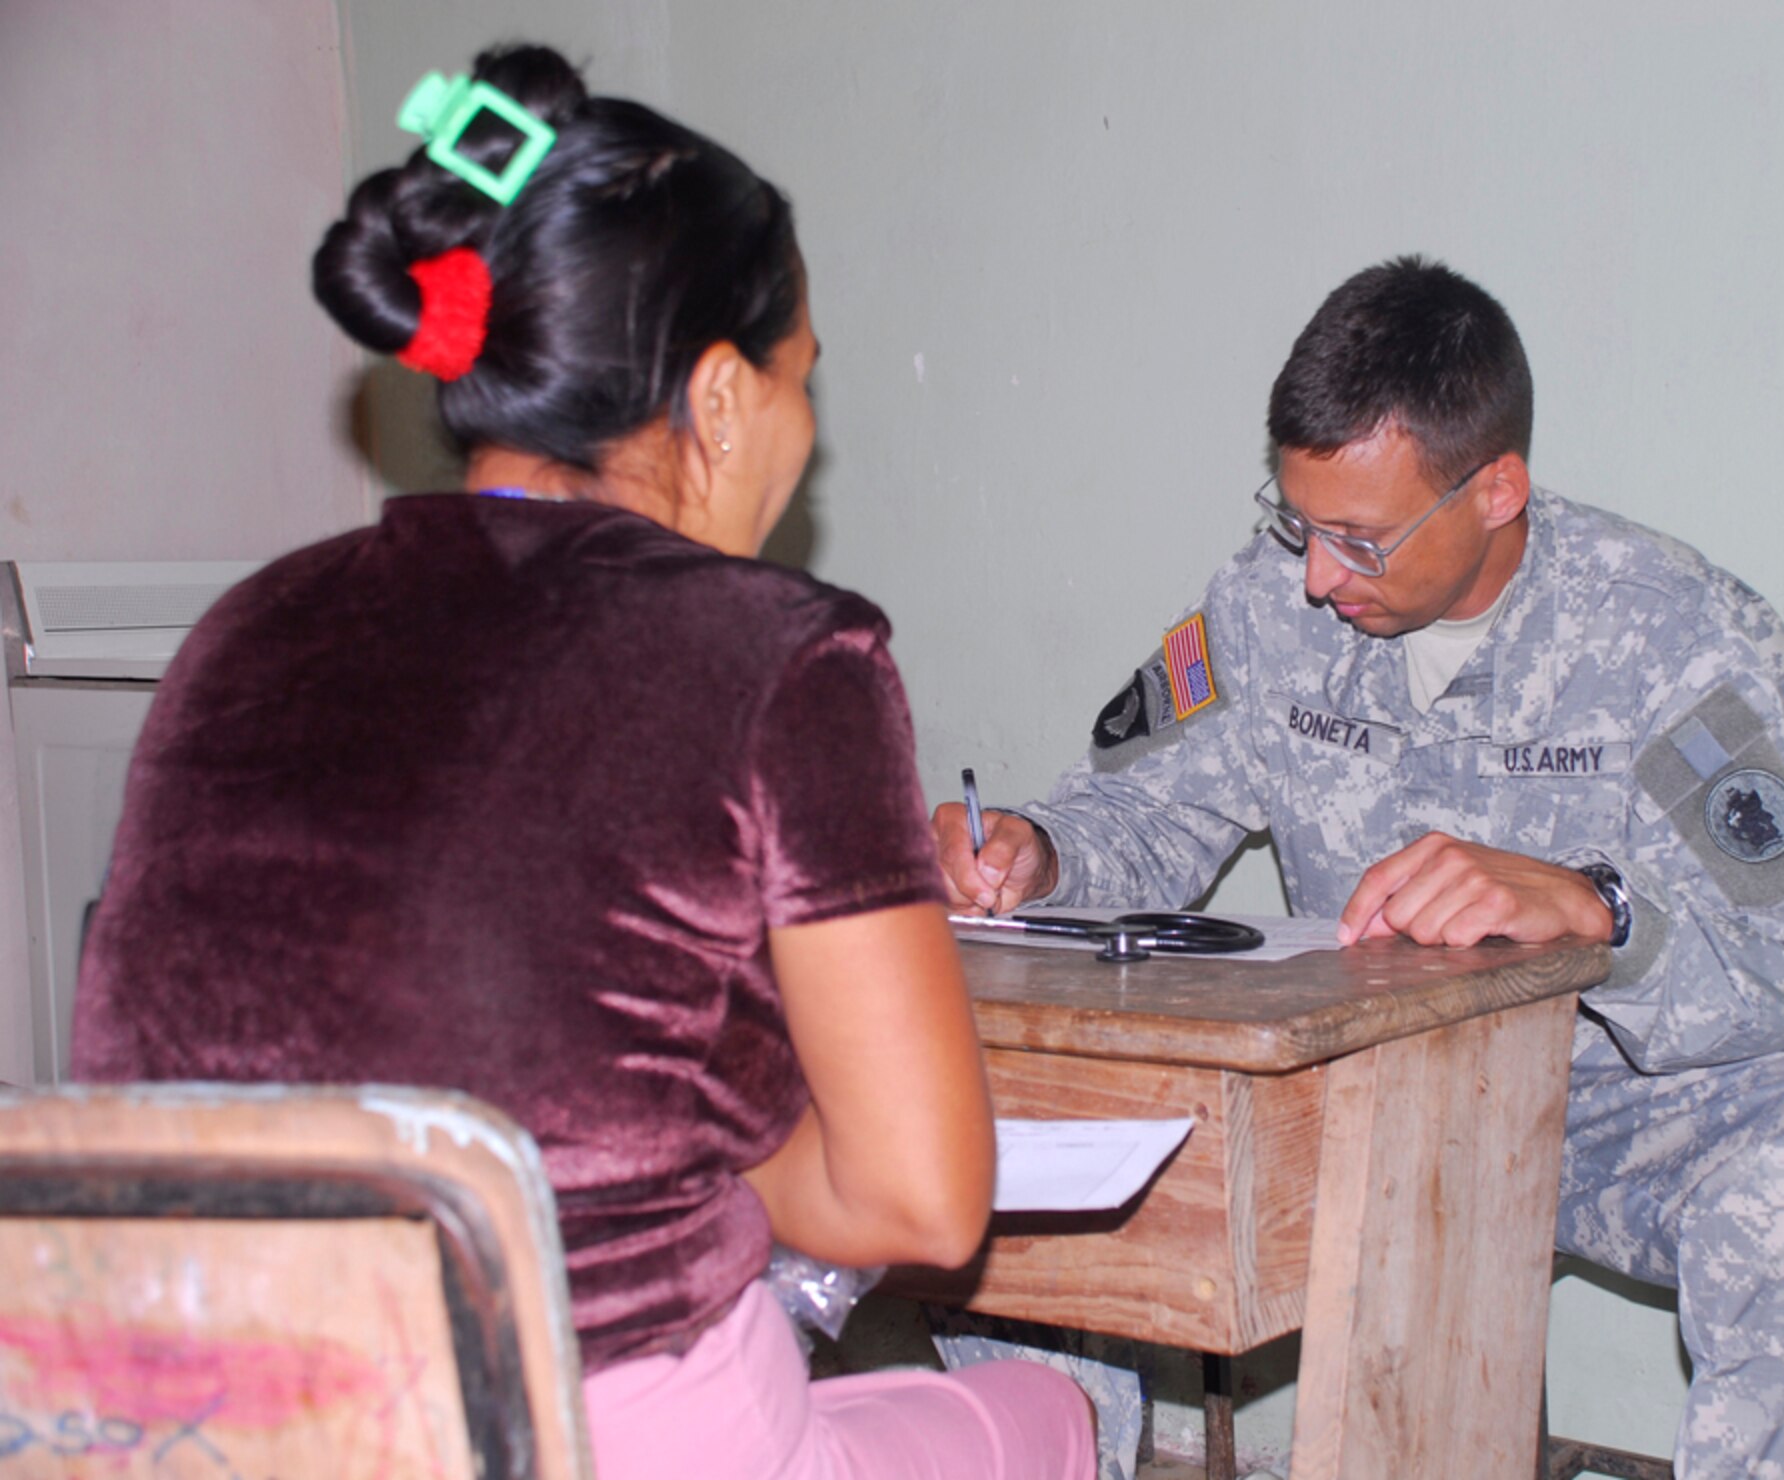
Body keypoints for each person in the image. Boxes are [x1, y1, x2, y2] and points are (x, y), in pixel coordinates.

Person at [71, 44, 1091, 1480]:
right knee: (1044, 1416)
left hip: (203, 1421)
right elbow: (922, 1201)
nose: (810, 441)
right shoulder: (786, 650)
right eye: (806, 384)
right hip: (583, 1419)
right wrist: (698, 1138)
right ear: (722, 399)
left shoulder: (246, 627)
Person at [933, 257, 1784, 1480]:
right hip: (1340, 1092)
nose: (1315, 574)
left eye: (1356, 541)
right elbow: (1143, 812)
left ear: (1494, 490)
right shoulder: (1264, 609)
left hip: (1609, 1099)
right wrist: (1036, 853)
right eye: (1294, 523)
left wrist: (1600, 908)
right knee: (1000, 1122)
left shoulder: (1674, 632)